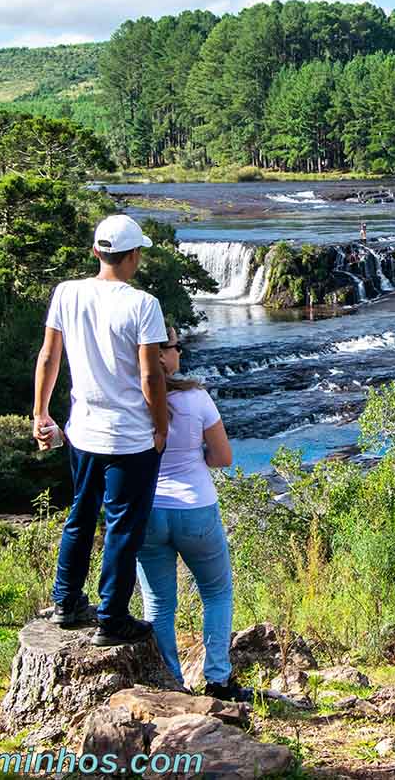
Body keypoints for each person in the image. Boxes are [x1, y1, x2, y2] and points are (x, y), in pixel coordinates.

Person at [33, 214, 169, 647]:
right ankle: (112, 619)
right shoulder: (143, 304)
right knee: (123, 526)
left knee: (80, 515)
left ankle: (66, 602)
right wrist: (161, 425)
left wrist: (41, 413)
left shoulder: (66, 293)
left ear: (96, 252)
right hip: (130, 437)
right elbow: (151, 376)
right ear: (133, 256)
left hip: (83, 431)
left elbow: (49, 357)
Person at [134, 326, 246, 700]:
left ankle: (172, 684)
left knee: (158, 604)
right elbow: (223, 457)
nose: (179, 352)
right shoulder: (196, 399)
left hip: (147, 512)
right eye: (175, 347)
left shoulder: (130, 400)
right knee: (216, 593)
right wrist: (196, 456)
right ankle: (218, 680)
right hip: (195, 507)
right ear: (162, 355)